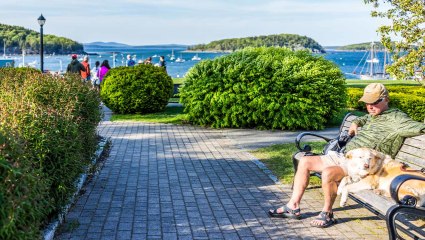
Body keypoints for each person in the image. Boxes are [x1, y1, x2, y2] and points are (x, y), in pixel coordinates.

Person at [268, 83, 425, 228]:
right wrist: (356, 122)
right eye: (367, 102)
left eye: (375, 102)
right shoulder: (374, 114)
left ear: (386, 100)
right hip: (345, 156)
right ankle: (293, 206)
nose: (370, 106)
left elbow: (420, 127)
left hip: (363, 164)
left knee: (329, 173)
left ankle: (327, 213)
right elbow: (363, 117)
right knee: (305, 161)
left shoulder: (398, 119)